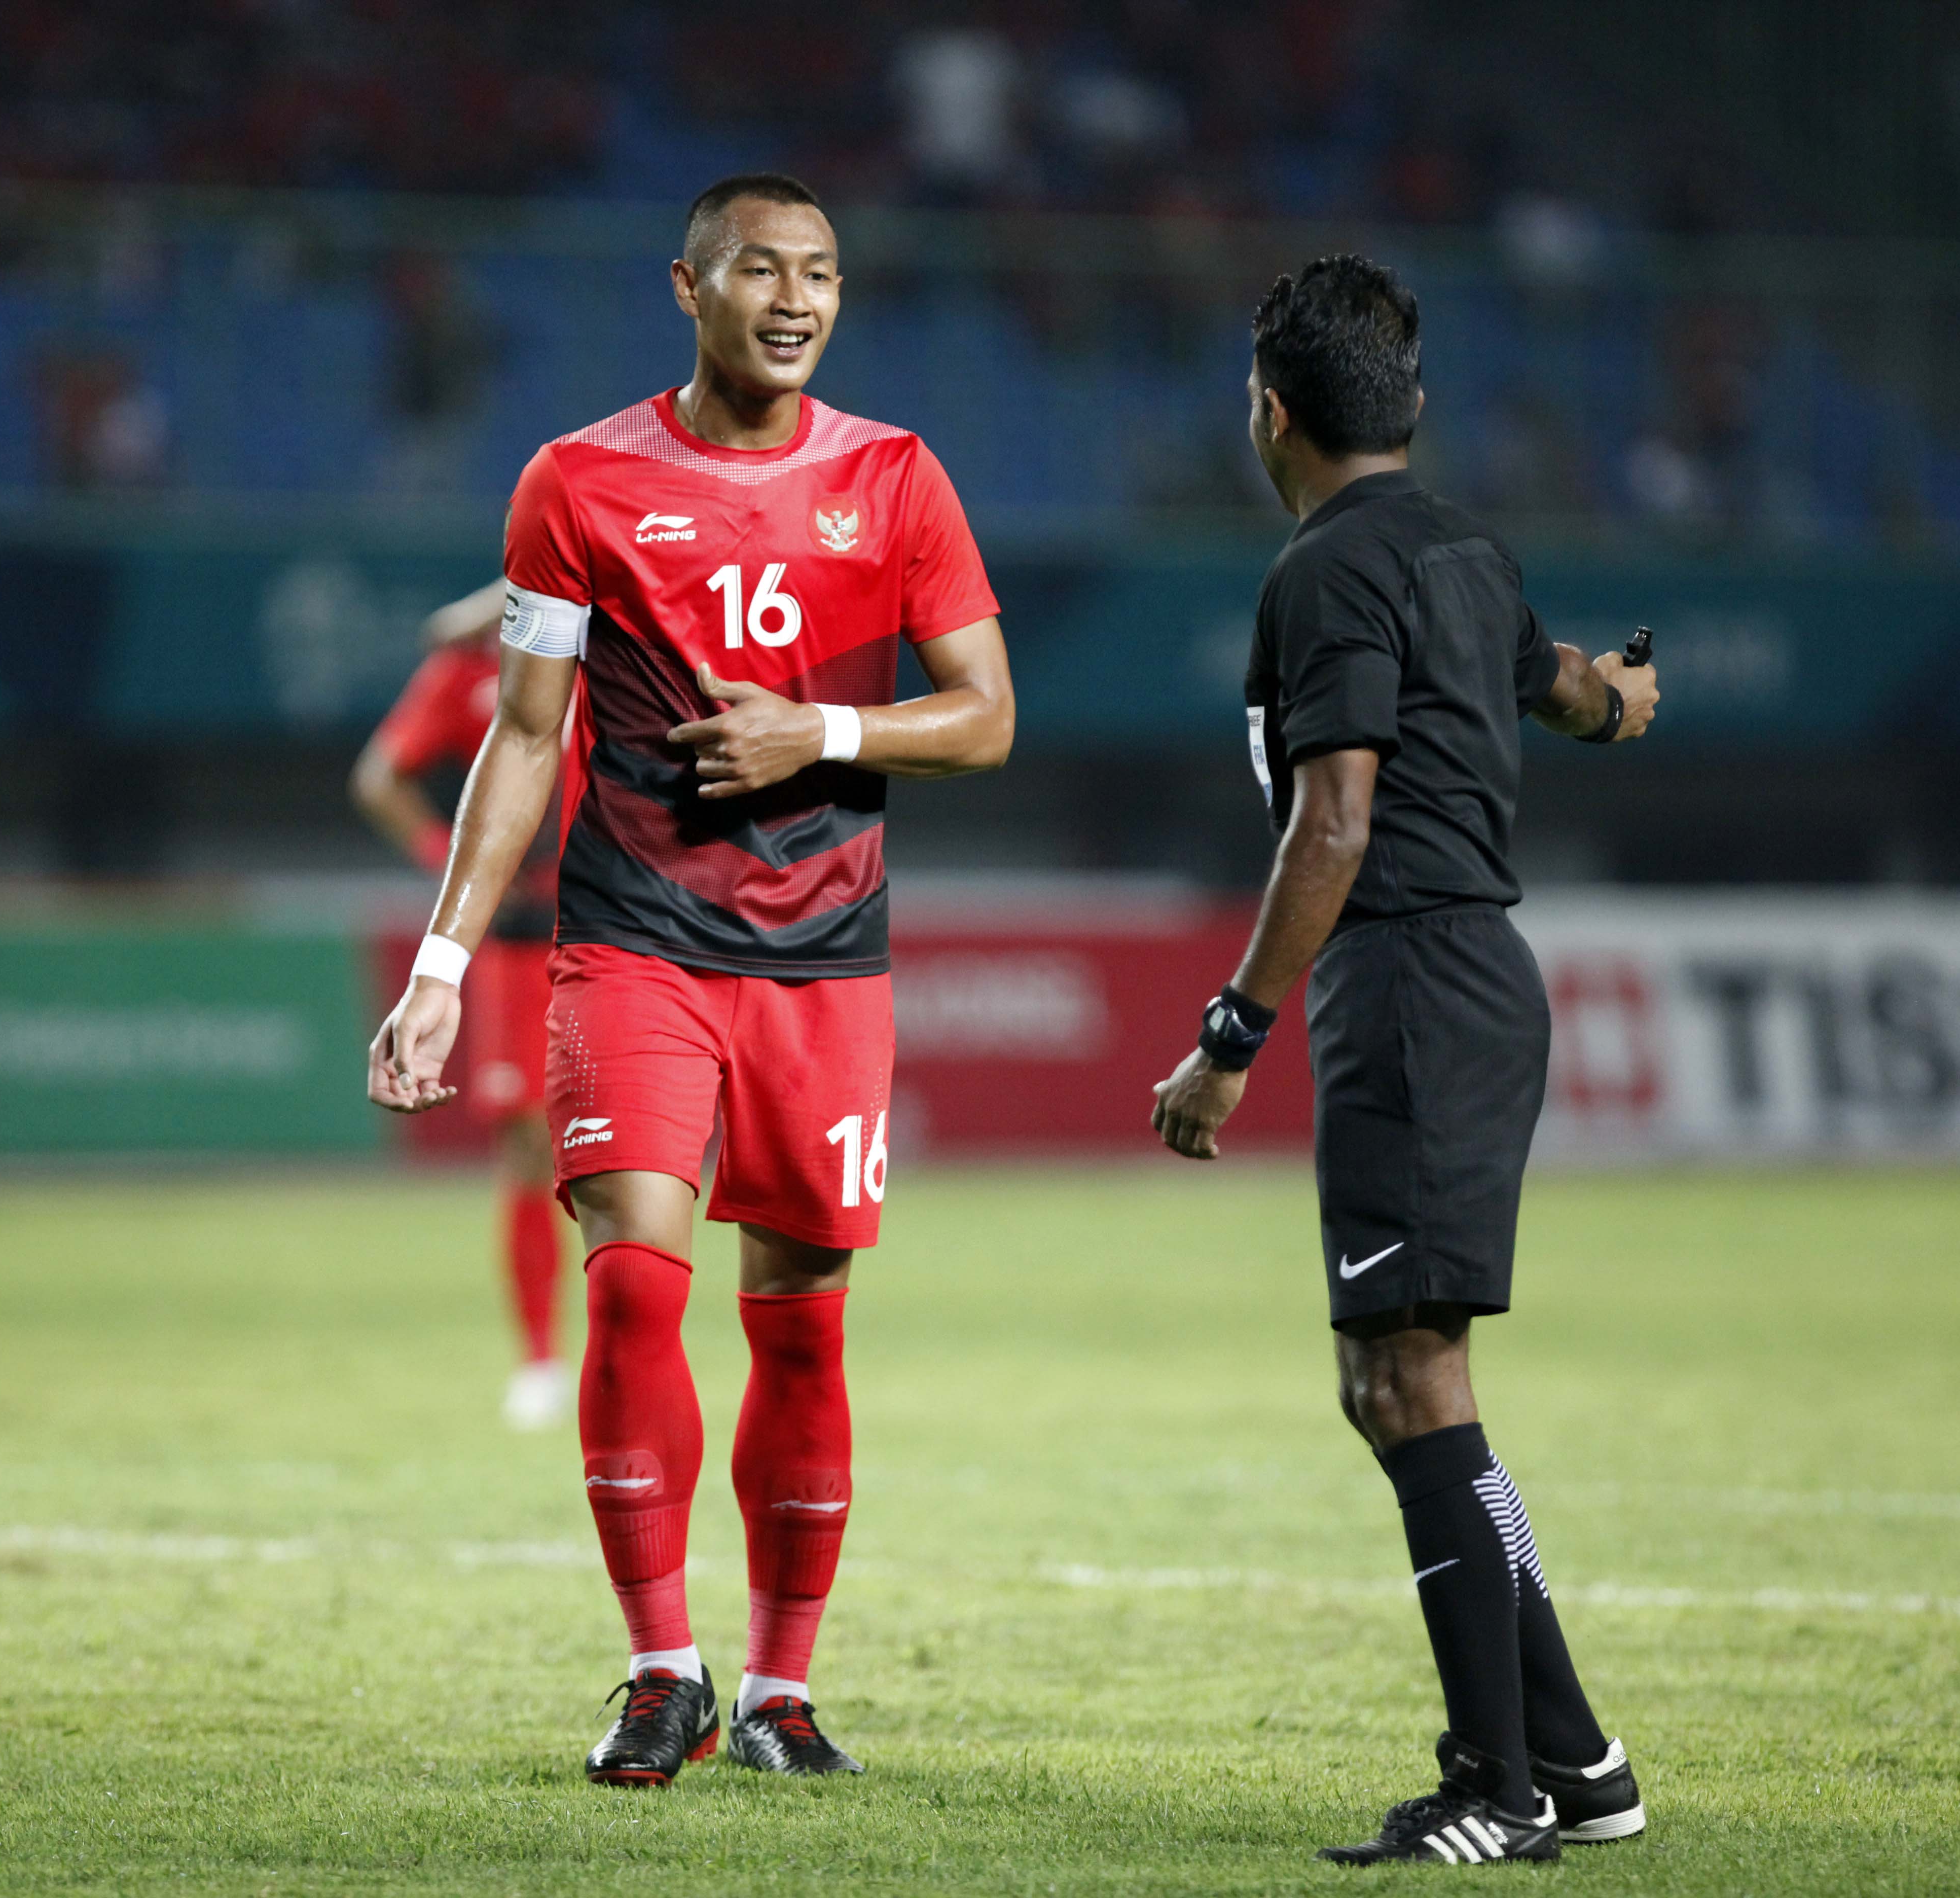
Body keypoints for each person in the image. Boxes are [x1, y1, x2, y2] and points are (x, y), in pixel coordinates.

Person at [366, 174, 1015, 1784]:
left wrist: (826, 732)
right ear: (688, 286)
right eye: (760, 270)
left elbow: (987, 715)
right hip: (634, 940)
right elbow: (524, 736)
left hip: (823, 964)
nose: (794, 298)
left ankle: (783, 1693)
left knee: (801, 1329)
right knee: (639, 1282)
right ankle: (664, 1669)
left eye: (822, 274)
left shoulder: (896, 478)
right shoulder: (576, 481)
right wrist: (444, 962)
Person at [1147, 257, 1660, 1865]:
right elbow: (1564, 687)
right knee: (1406, 1383)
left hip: (1416, 982)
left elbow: (1336, 818)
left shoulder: (1324, 572)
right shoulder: (1464, 548)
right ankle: (1575, 1765)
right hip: (1472, 976)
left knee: (1407, 1378)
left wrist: (1230, 1036)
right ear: (1409, 405)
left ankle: (1497, 1791)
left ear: (1271, 413)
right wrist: (1625, 698)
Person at [352, 578, 575, 1430]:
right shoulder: (474, 664)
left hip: (623, 922)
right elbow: (379, 777)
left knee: (632, 1143)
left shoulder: (616, 637)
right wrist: (452, 859)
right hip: (521, 935)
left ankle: (634, 1347)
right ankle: (542, 1357)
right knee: (526, 1143)